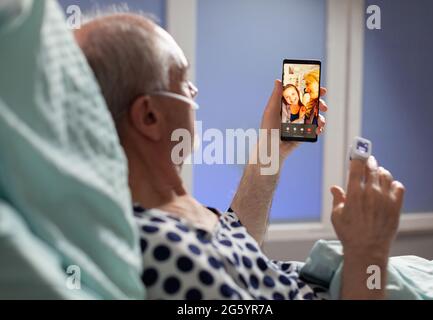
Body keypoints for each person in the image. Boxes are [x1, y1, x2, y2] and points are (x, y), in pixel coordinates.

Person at [75, 11, 405, 300]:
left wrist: (272, 147)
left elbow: (236, 244)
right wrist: (369, 249)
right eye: (182, 80)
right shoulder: (163, 250)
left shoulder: (171, 212)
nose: (194, 91)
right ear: (149, 116)